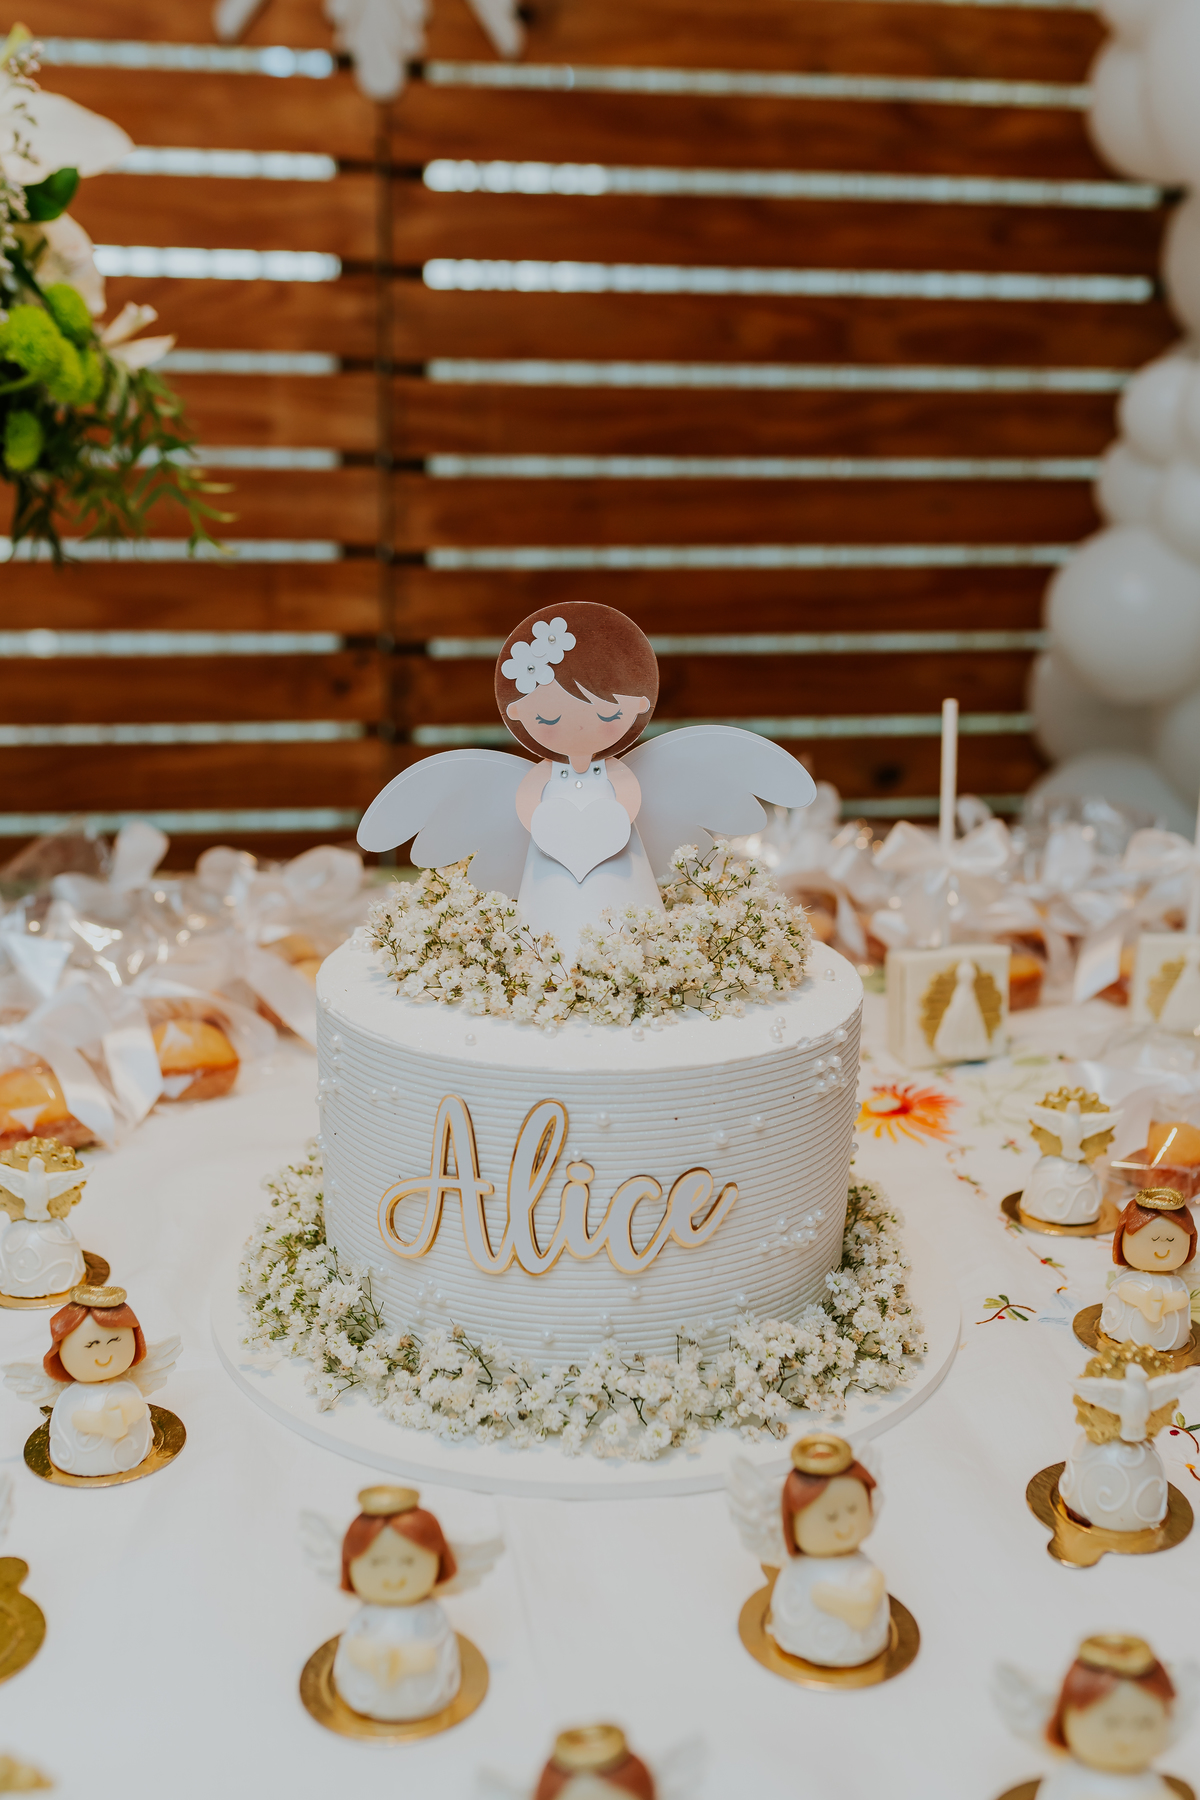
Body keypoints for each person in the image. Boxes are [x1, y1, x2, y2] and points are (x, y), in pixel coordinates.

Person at [1100, 1187, 1197, 1352]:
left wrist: (1166, 1303)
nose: (1162, 1248)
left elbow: (1182, 1299)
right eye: (1154, 1239)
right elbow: (1124, 1291)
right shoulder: (1127, 1278)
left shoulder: (1176, 1283)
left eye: (1171, 1240)